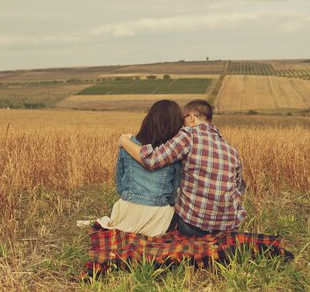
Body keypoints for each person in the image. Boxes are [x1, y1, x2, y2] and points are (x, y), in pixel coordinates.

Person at [119, 99, 246, 236]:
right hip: (228, 227)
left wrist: (124, 141)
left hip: (194, 227)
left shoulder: (188, 135)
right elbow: (239, 187)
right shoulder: (231, 150)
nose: (180, 124)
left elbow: (152, 161)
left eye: (182, 119)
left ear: (191, 117)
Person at [103, 100, 183, 237]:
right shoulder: (173, 154)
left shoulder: (128, 146)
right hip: (158, 220)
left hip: (126, 213)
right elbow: (173, 197)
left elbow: (120, 187)